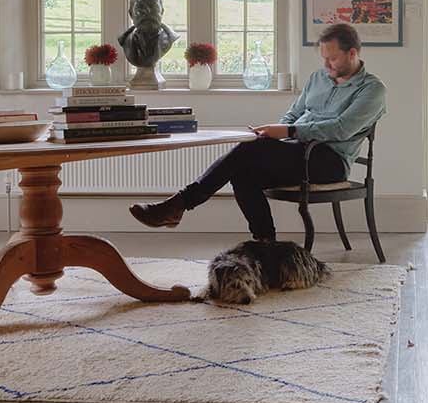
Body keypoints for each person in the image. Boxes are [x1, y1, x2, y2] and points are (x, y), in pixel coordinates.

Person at [129, 23, 386, 240]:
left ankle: (179, 204)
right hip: (297, 152)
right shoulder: (318, 78)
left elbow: (341, 129)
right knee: (244, 171)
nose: (326, 64)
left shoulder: (372, 90)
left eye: (332, 58)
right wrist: (277, 132)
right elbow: (293, 113)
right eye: (323, 57)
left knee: (247, 152)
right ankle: (265, 242)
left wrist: (287, 131)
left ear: (352, 53)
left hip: (329, 161)